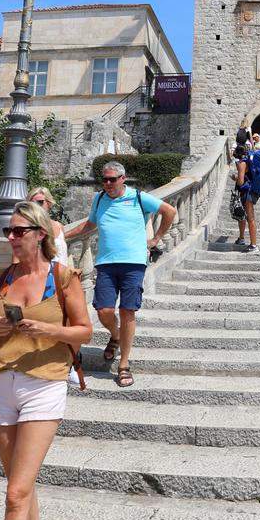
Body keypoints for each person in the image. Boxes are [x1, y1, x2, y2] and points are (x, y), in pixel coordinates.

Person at [0, 201, 92, 520]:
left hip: (44, 383)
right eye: (9, 231)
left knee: (14, 494)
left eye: (19, 231)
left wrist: (48, 330)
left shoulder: (64, 277)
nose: (11, 237)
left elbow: (84, 331)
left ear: (40, 234)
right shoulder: (2, 278)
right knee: (18, 487)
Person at [64, 161, 177, 387]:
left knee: (127, 311)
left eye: (112, 179)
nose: (107, 183)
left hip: (134, 263)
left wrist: (155, 239)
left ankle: (124, 364)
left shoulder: (138, 197)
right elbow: (89, 225)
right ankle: (115, 335)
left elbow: (170, 211)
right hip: (106, 263)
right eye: (104, 179)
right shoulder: (99, 199)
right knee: (104, 311)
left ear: (123, 179)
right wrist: (62, 236)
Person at [28, 186, 69, 267]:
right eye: (32, 203)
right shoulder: (27, 227)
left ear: (49, 203)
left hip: (61, 276)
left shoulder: (59, 226)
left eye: (40, 202)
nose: (36, 206)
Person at [232, 145, 259, 254]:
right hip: (249, 191)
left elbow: (241, 182)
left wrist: (235, 177)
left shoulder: (242, 163)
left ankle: (254, 245)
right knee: (242, 216)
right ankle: (241, 238)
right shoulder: (247, 161)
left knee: (250, 218)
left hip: (247, 192)